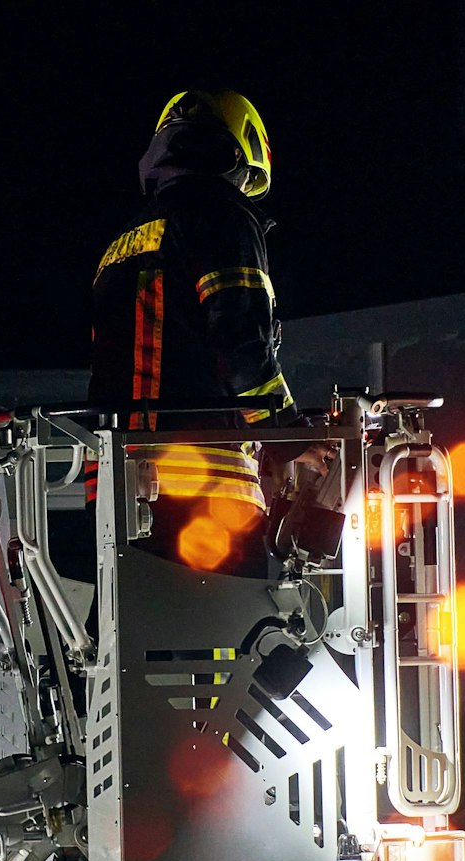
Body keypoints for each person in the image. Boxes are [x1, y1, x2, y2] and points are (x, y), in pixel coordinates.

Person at [88, 89, 297, 574]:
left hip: (113, 494)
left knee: (138, 641)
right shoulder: (222, 214)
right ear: (243, 157)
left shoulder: (124, 240)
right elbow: (241, 345)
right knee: (236, 644)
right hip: (204, 494)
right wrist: (295, 439)